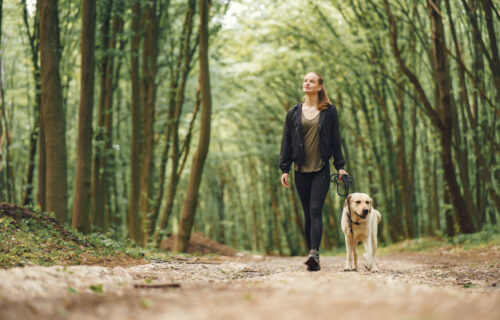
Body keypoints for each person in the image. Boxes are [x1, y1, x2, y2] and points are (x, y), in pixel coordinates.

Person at [279, 71, 347, 271]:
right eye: (305, 80)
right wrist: (285, 168)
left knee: (316, 210)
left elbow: (335, 140)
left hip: (321, 168)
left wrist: (340, 166)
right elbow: (286, 141)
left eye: (311, 81)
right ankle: (312, 255)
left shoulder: (329, 111)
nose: (307, 83)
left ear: (319, 86)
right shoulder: (293, 112)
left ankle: (314, 253)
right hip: (300, 169)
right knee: (307, 214)